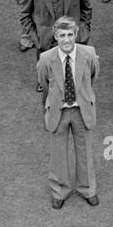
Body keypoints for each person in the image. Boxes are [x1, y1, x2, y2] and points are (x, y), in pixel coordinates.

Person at [36, 17, 100, 208]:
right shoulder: (46, 58)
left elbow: (93, 76)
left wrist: (83, 97)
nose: (66, 40)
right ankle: (59, 191)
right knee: (58, 154)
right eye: (62, 35)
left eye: (70, 35)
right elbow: (44, 84)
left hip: (82, 110)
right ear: (55, 36)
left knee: (85, 152)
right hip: (59, 111)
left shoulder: (89, 54)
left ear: (76, 34)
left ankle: (87, 189)